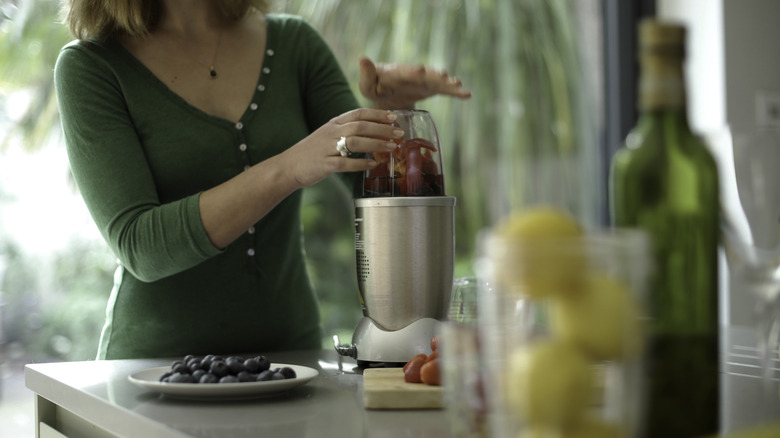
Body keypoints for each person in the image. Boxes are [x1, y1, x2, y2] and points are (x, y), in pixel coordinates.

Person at [55, 0, 471, 359]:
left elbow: (374, 196)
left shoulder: (294, 44)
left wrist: (392, 119)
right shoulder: (91, 66)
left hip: (295, 363)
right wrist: (288, 167)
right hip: (150, 376)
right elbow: (140, 245)